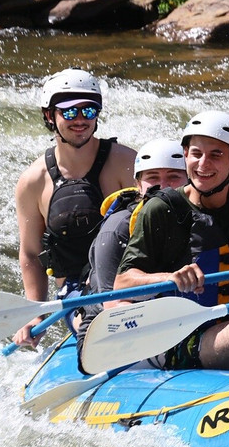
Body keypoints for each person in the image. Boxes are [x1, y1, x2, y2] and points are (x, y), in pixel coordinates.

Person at [109, 111, 229, 371]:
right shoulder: (161, 209)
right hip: (184, 337)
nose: (203, 164)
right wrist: (170, 277)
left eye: (216, 155)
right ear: (186, 155)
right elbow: (123, 283)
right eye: (196, 154)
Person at [12, 68, 137, 348]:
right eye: (69, 112)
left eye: (89, 111)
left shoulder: (126, 162)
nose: (80, 120)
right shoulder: (32, 182)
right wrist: (36, 313)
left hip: (130, 278)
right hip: (78, 294)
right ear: (49, 116)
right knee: (101, 325)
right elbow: (31, 254)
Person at [73, 138, 189, 357]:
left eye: (173, 177)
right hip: (108, 323)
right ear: (138, 184)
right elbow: (113, 307)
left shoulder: (198, 216)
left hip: (168, 310)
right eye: (152, 178)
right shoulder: (118, 229)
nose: (163, 186)